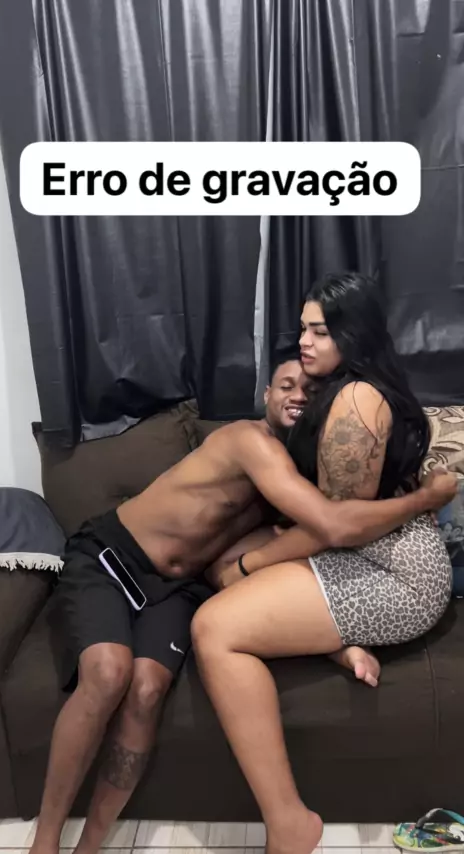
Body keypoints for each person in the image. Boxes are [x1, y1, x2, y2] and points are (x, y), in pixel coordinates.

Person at [30, 355, 455, 854]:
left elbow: (272, 577)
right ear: (266, 396)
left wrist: (339, 647)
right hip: (114, 556)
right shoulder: (248, 441)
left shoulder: (299, 484)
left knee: (146, 690)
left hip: (181, 588)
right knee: (108, 672)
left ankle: (90, 847)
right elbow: (333, 526)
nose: (298, 395)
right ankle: (45, 843)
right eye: (286, 386)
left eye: (311, 390)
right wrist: (423, 500)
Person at [191, 272, 457, 854]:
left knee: (214, 628)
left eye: (320, 331)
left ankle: (289, 823)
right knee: (219, 577)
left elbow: (332, 526)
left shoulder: (356, 399)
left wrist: (251, 565)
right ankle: (338, 645)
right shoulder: (343, 389)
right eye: (304, 329)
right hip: (361, 552)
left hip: (396, 574)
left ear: (352, 333)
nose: (305, 342)